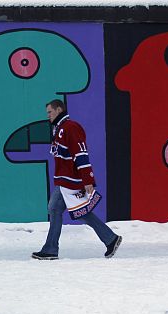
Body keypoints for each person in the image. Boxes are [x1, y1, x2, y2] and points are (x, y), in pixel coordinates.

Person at [32, 99, 122, 260]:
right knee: (78, 212)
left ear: (59, 110)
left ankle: (51, 249)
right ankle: (110, 238)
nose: (48, 116)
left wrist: (88, 179)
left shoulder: (71, 127)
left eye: (50, 112)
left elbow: (80, 154)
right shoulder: (59, 129)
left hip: (70, 181)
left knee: (57, 209)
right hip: (64, 180)